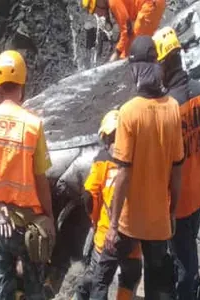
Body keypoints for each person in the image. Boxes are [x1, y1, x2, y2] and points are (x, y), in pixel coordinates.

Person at [89, 35, 185, 300]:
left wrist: (113, 225)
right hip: (157, 223)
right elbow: (177, 170)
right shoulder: (173, 110)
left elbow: (123, 174)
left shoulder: (129, 112)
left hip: (128, 222)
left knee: (101, 278)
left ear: (135, 70)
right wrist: (172, 212)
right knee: (158, 287)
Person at [0, 49, 55, 300]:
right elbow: (41, 179)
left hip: (2, 221)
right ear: (22, 84)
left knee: (2, 286)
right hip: (31, 225)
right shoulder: (33, 124)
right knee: (35, 286)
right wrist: (49, 218)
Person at [153, 27, 200, 300]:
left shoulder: (167, 108)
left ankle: (187, 293)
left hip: (176, 204)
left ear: (164, 63)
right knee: (187, 250)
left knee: (185, 266)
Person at [73, 110, 142, 300]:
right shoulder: (139, 159)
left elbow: (89, 195)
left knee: (96, 280)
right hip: (133, 235)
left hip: (106, 236)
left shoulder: (102, 160)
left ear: (106, 136)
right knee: (130, 277)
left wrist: (95, 221)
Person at [81, 0, 166, 62]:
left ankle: (155, 70)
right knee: (128, 53)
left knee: (137, 47)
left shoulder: (113, 2)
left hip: (150, 4)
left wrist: (117, 53)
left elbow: (126, 30)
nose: (99, 15)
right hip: (151, 5)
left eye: (96, 11)